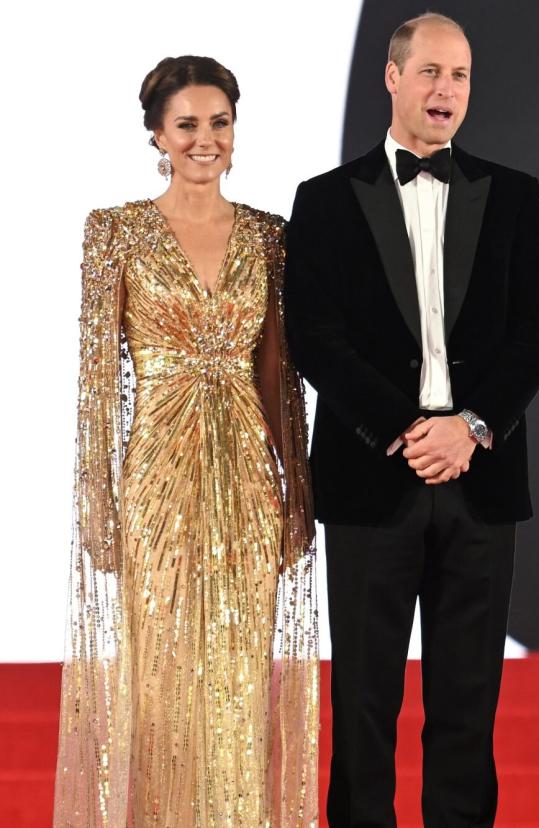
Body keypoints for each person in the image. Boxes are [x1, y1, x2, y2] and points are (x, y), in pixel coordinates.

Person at [283, 12, 539, 828]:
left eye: (462, 76)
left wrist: (469, 427)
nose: (448, 90)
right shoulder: (325, 202)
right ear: (393, 77)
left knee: (468, 704)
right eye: (432, 72)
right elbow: (315, 339)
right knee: (364, 701)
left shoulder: (515, 195)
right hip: (376, 476)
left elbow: (536, 329)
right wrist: (410, 431)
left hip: (480, 477)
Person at [53, 56, 319, 827]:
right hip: (156, 482)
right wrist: (96, 498)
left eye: (220, 123)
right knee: (163, 685)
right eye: (188, 126)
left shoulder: (271, 237)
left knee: (239, 681)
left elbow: (279, 378)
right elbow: (98, 382)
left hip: (245, 479)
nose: (207, 141)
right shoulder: (116, 232)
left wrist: (295, 493)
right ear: (157, 135)